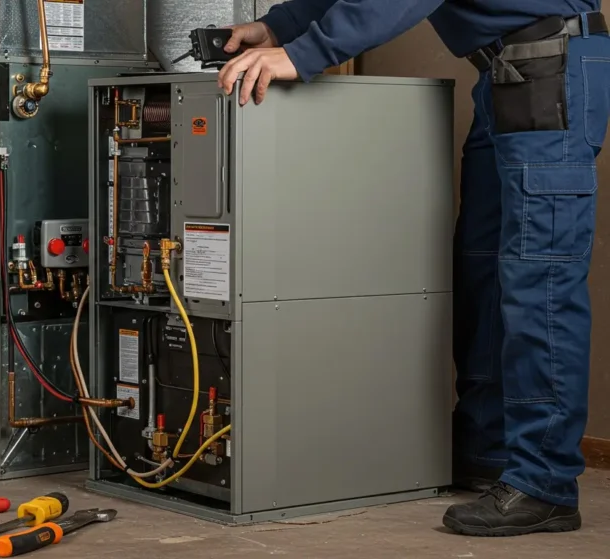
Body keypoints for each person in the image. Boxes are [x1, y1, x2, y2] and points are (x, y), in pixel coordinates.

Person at [218, 0, 608, 538]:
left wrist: (304, 51)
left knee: (537, 278)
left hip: (548, 70)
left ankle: (545, 483)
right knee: (483, 270)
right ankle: (487, 446)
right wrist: (278, 25)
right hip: (508, 76)